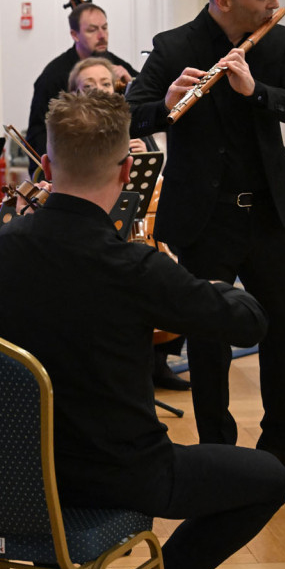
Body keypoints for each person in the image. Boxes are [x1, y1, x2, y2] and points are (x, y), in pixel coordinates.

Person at [0, 91, 285, 569]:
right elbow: (251, 320)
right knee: (270, 476)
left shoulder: (7, 247)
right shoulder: (135, 265)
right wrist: (189, 281)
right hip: (122, 472)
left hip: (27, 469)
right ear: (127, 172)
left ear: (45, 164)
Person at [126, 0, 285, 482]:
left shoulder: (276, 41)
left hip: (265, 212)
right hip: (204, 219)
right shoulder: (174, 46)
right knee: (207, 336)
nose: (275, 2)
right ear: (223, 1)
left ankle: (281, 442)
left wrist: (256, 92)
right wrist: (167, 105)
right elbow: (131, 113)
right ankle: (217, 448)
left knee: (282, 325)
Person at [68, 58, 186, 390]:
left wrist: (142, 156)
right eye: (88, 86)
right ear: (74, 94)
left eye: (105, 84)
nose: (99, 91)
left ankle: (158, 360)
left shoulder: (138, 125)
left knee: (174, 267)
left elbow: (161, 185)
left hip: (140, 226)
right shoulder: (70, 135)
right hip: (93, 232)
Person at [25, 2, 139, 174]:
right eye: (92, 30)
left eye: (105, 28)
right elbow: (39, 131)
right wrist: (46, 174)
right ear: (75, 35)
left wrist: (132, 83)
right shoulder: (53, 76)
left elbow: (144, 103)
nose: (102, 35)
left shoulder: (118, 66)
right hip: (72, 167)